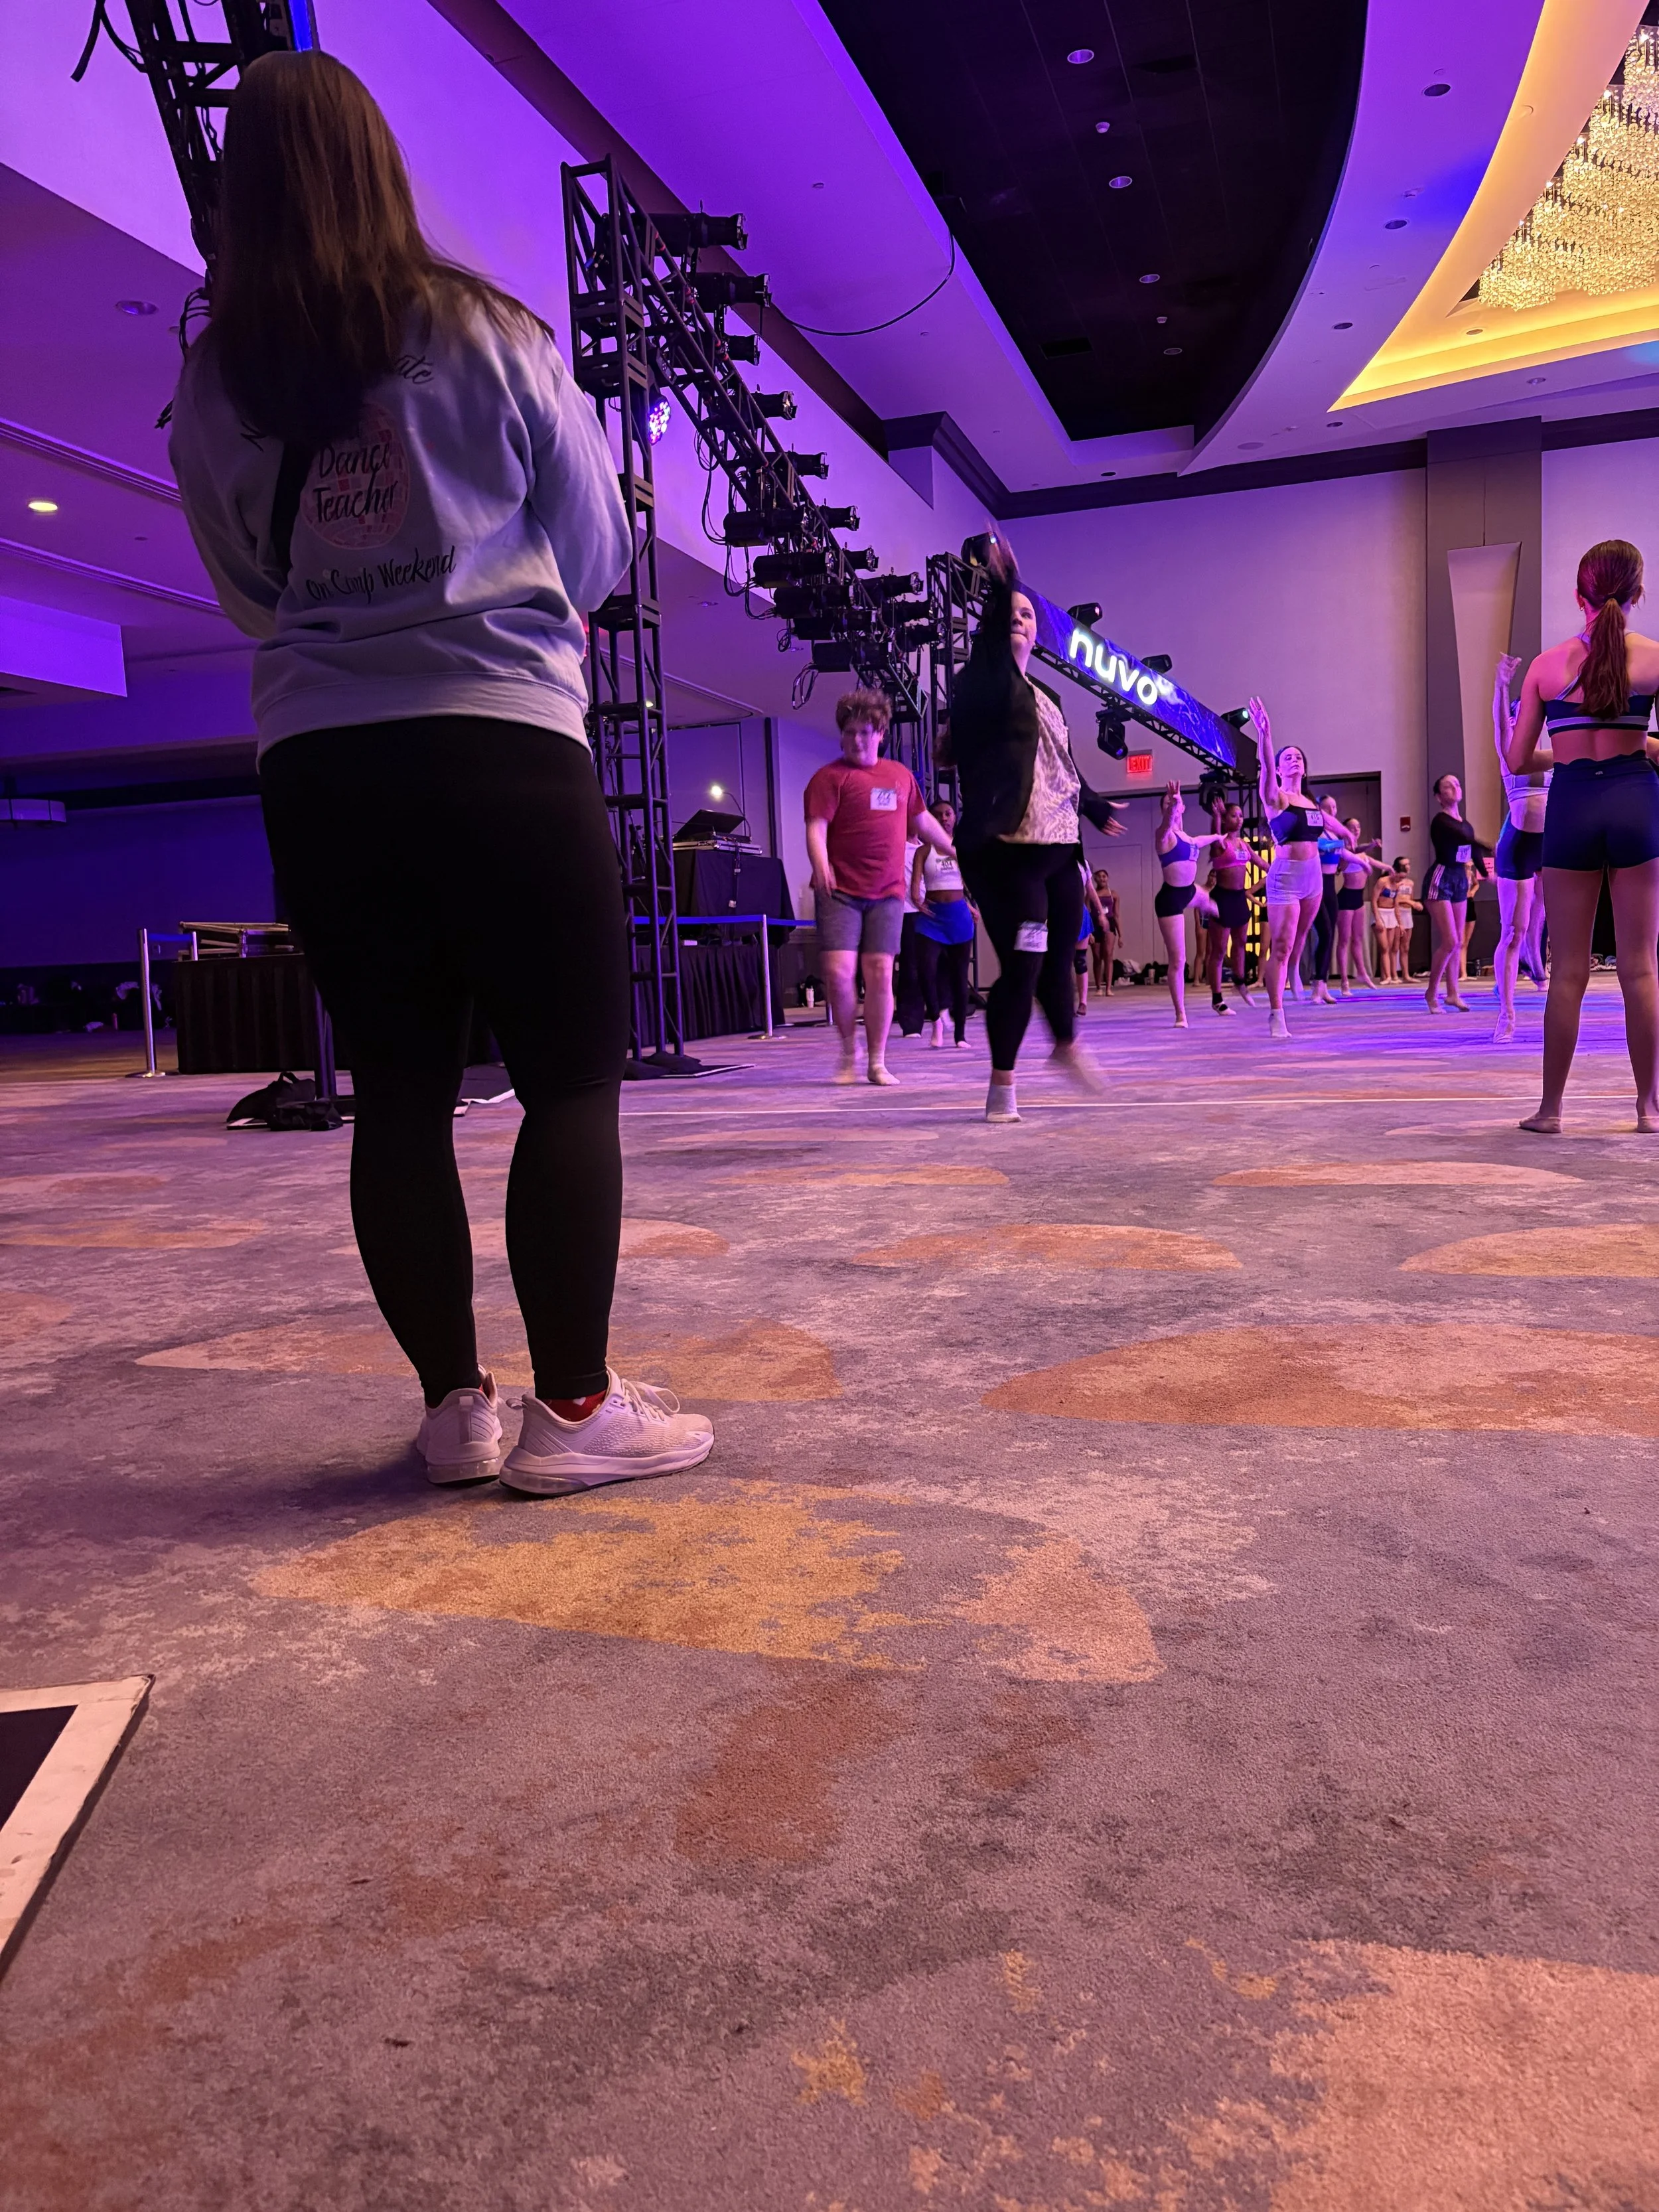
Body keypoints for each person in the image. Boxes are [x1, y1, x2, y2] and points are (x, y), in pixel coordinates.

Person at [167, 51, 715, 1494]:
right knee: (568, 1078)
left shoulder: (215, 385)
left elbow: (243, 592)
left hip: (324, 765)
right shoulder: (489, 332)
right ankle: (577, 1413)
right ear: (380, 169)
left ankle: (452, 1408)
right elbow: (597, 555)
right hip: (501, 742)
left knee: (400, 1087)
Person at [942, 536, 1125, 1124]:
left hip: (1058, 849)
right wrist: (1006, 580)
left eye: (1027, 614)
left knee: (1061, 957)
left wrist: (1093, 806)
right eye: (1010, 613)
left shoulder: (1046, 695)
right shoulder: (981, 684)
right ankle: (1003, 1081)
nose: (1019, 620)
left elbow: (1063, 765)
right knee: (1022, 963)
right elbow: (992, 651)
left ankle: (1066, 1044)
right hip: (1007, 853)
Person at [1505, 537, 1659, 1132]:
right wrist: (1640, 743)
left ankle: (1550, 1110)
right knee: (1641, 967)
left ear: (1579, 595)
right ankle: (1649, 1108)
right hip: (1634, 801)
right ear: (1638, 593)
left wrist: (1565, 752)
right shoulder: (1651, 660)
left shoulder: (1546, 667)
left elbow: (1517, 761)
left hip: (1570, 807)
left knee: (1567, 968)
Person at [804, 690, 956, 1086]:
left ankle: (877, 1060)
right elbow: (816, 828)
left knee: (879, 974)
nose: (857, 740)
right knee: (838, 974)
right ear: (841, 736)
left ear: (881, 734)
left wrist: (950, 848)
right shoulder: (828, 778)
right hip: (839, 890)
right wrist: (820, 866)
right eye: (850, 732)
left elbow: (922, 821)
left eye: (866, 732)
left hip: (888, 892)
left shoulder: (900, 777)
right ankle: (847, 1050)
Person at [1252, 701, 1354, 1039]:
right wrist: (1265, 736)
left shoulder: (1310, 802)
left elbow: (1329, 822)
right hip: (1286, 878)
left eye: (1299, 757)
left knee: (1300, 939)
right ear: (1280, 769)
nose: (1295, 760)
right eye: (1288, 758)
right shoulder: (1276, 797)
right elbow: (1265, 772)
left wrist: (1346, 834)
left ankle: (1295, 969)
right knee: (1280, 945)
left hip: (1314, 879)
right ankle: (1276, 1013)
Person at [1489, 650, 1553, 1043]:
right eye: (1515, 717)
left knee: (1550, 922)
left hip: (1552, 844)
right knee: (1513, 930)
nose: (1518, 722)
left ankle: (1542, 972)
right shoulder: (1511, 753)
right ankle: (1507, 1013)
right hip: (1517, 846)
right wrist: (1502, 686)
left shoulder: (1552, 752)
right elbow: (1500, 727)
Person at [1153, 782, 1223, 1027]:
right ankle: (1180, 1013)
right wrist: (1172, 805)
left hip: (1190, 892)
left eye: (1175, 804)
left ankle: (1207, 904)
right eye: (1166, 804)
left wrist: (1218, 836)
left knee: (1213, 904)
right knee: (1178, 960)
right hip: (1170, 899)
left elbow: (1201, 841)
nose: (1172, 806)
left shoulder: (1188, 838)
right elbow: (1165, 826)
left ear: (1184, 808)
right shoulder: (1165, 836)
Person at [1422, 773, 1493, 1013]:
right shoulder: (1441, 822)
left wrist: (1487, 874)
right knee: (1451, 941)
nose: (1454, 787)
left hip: (1460, 880)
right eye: (1447, 786)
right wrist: (1491, 847)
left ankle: (1453, 993)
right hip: (1441, 879)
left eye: (1456, 784)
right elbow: (1467, 841)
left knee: (1459, 941)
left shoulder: (1466, 824)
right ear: (1439, 797)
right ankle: (1431, 993)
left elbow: (1472, 851)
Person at [909, 798, 975, 1048]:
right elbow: (916, 884)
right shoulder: (923, 851)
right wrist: (916, 897)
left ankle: (960, 1035)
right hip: (931, 919)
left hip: (958, 917)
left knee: (960, 977)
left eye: (948, 814)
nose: (944, 819)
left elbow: (970, 884)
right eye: (938, 815)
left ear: (954, 817)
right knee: (926, 972)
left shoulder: (962, 849)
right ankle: (936, 1021)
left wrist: (971, 907)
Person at [1206, 800, 1255, 1011]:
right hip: (1223, 898)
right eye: (1234, 815)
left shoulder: (1244, 845)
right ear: (1226, 819)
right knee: (1218, 950)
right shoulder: (1221, 843)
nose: (1239, 819)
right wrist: (1217, 817)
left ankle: (1240, 982)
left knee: (1241, 944)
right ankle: (1217, 999)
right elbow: (1215, 836)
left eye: (1241, 815)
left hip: (1239, 898)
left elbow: (1261, 864)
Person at [1334, 821, 1388, 995]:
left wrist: (1389, 868)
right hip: (1346, 899)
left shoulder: (1362, 853)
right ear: (1345, 830)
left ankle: (1362, 974)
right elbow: (1355, 853)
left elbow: (1373, 861)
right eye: (1352, 828)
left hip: (1359, 899)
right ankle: (1344, 982)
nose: (1356, 830)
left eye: (1358, 827)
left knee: (1358, 939)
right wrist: (1371, 845)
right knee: (1344, 940)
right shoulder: (1345, 850)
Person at [1308, 795, 1346, 1005]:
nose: (1332, 810)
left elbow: (1347, 854)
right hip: (1317, 884)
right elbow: (1320, 846)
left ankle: (1322, 984)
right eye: (1327, 807)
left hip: (1331, 885)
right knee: (1325, 932)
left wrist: (1369, 864)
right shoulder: (1316, 832)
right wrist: (1342, 839)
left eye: (1335, 806)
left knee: (1330, 936)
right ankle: (1316, 984)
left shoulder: (1334, 832)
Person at [1090, 868, 1121, 994]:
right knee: (1097, 957)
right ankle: (1099, 987)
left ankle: (1108, 988)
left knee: (1108, 954)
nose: (1102, 879)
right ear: (1095, 879)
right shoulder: (1091, 895)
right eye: (1099, 877)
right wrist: (1089, 932)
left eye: (1104, 876)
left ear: (1107, 878)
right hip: (1095, 926)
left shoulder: (1113, 894)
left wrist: (1121, 935)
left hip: (1109, 925)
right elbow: (1087, 913)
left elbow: (1116, 915)